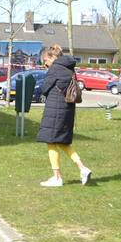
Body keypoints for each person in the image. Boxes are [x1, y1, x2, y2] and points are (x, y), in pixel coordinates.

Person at [36, 44, 93, 188]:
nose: (45, 63)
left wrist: (48, 74)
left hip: (55, 110)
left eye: (45, 60)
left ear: (51, 57)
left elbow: (44, 89)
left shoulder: (54, 69)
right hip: (67, 109)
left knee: (50, 141)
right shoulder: (69, 68)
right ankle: (83, 168)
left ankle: (57, 177)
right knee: (62, 142)